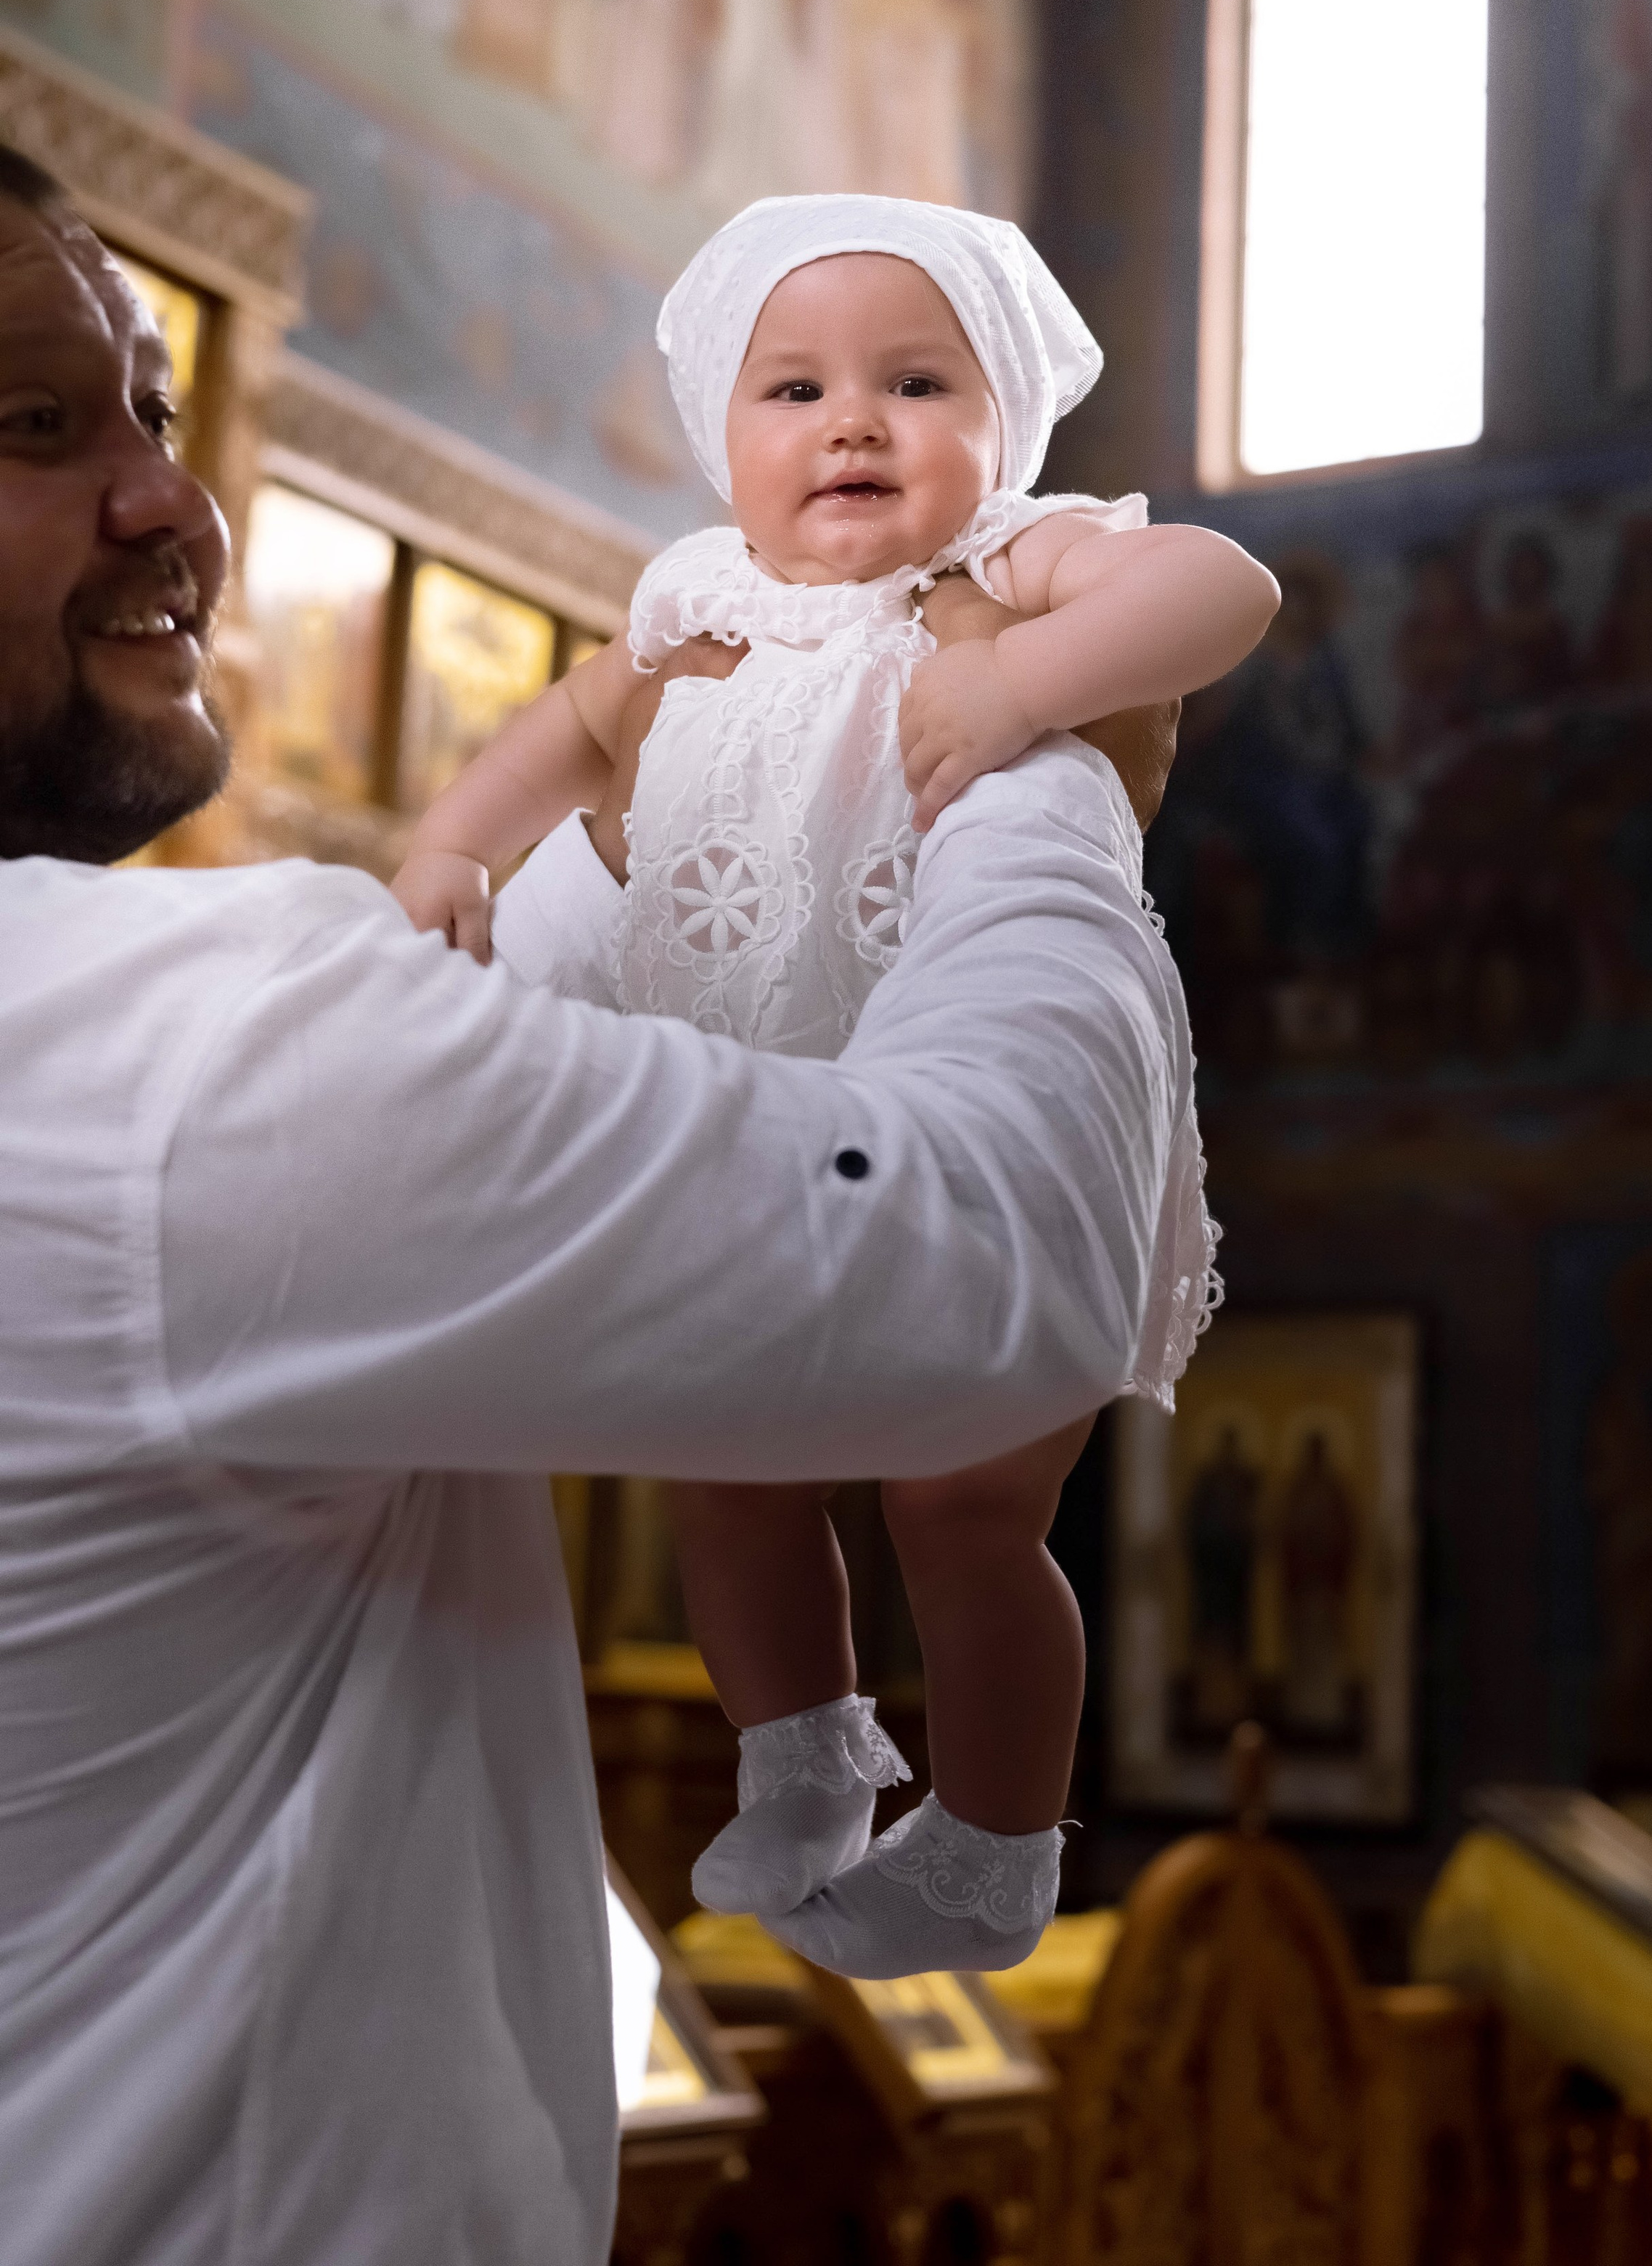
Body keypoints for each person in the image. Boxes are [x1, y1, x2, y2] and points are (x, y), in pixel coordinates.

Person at [0, 144, 1194, 2266]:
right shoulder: (176, 1051)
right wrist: (1057, 775)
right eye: (35, 425)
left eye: (163, 417)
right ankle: (887, 1793)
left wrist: (631, 852)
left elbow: (536, 999)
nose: (179, 505)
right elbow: (999, 1252)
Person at [393, 194, 1279, 1976]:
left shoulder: (997, 572)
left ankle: (995, 1838)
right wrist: (447, 850)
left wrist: (1029, 673)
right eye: (790, 388)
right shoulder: (692, 606)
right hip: (742, 1113)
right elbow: (568, 735)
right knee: (725, 1471)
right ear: (725, 438)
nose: (851, 422)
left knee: (963, 1503)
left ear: (1003, 433)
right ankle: (797, 1753)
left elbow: (1225, 588)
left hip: (972, 1108)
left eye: (915, 381)